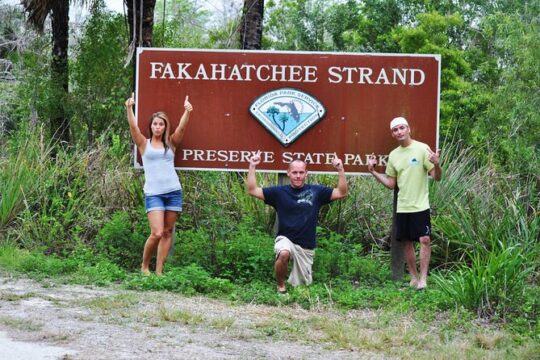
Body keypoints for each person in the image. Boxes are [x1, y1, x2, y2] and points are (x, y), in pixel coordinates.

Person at [247, 151, 348, 293]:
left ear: (306, 173)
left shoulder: (316, 191)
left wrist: (340, 169)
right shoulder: (279, 192)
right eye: (294, 172)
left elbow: (342, 192)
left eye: (301, 172)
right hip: (285, 238)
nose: (298, 176)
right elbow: (252, 190)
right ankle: (280, 287)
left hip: (306, 246)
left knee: (302, 288)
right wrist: (252, 165)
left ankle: (296, 284)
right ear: (288, 173)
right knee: (283, 253)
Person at [367, 116, 441, 290]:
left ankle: (423, 279)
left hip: (420, 205)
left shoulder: (422, 149)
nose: (399, 132)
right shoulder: (393, 156)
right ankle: (413, 277)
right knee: (407, 242)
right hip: (403, 206)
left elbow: (436, 177)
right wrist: (373, 172)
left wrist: (437, 164)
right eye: (395, 130)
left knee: (424, 239)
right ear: (392, 134)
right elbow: (391, 184)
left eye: (401, 128)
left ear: (408, 129)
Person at [125, 93, 193, 275]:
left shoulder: (171, 143)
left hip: (173, 191)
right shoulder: (143, 144)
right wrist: (129, 108)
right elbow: (133, 127)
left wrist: (187, 111)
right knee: (156, 233)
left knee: (168, 232)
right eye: (155, 124)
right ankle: (144, 266)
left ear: (164, 127)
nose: (158, 127)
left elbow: (181, 128)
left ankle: (159, 272)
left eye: (161, 124)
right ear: (151, 126)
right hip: (154, 193)